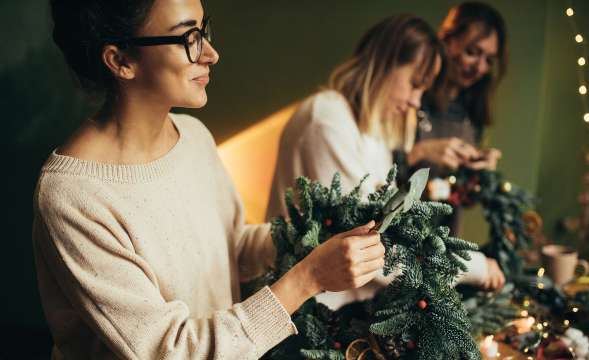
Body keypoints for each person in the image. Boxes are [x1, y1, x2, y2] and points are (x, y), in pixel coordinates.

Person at [33, 0, 386, 358]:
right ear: (120, 61)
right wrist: (308, 278)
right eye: (188, 37)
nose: (211, 54)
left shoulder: (194, 137)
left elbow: (233, 247)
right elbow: (171, 350)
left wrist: (311, 237)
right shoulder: (73, 194)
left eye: (204, 31)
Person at [266, 15, 505, 311]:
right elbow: (370, 249)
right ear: (384, 64)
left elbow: (391, 225)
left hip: (355, 306)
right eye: (415, 85)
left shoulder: (374, 132)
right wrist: (477, 268)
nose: (417, 102)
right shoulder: (327, 119)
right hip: (309, 311)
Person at [398, 2, 508, 234]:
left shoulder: (472, 113)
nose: (480, 67)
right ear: (447, 40)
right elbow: (374, 176)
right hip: (396, 239)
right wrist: (420, 152)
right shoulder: (410, 96)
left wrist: (478, 177)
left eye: (489, 59)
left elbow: (462, 199)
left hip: (444, 242)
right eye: (473, 52)